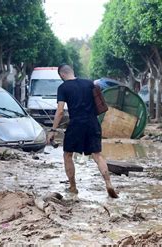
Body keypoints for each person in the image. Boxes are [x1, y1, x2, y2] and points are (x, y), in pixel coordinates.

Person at [47, 64, 118, 198]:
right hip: (93, 123)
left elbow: (60, 111)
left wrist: (53, 130)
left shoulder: (63, 87)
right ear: (72, 72)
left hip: (76, 124)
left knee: (68, 155)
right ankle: (108, 183)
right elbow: (99, 103)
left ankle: (73, 187)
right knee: (97, 155)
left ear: (62, 75)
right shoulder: (89, 83)